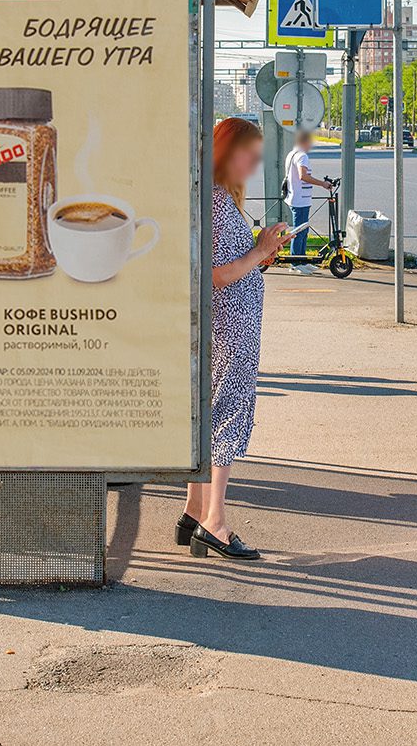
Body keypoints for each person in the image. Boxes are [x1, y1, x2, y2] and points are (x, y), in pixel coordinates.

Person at [180, 117, 287, 560]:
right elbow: (213, 276)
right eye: (249, 153)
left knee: (213, 414)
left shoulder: (218, 198)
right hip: (229, 330)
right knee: (227, 415)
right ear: (227, 151)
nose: (254, 163)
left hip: (227, 326)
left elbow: (229, 267)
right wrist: (260, 252)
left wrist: (259, 256)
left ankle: (193, 511)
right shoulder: (217, 203)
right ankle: (214, 523)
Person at [282, 130, 332, 266]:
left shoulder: (292, 154)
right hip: (300, 199)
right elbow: (302, 176)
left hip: (295, 197)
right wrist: (323, 184)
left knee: (302, 230)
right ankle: (296, 263)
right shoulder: (302, 156)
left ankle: (302, 261)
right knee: (299, 231)